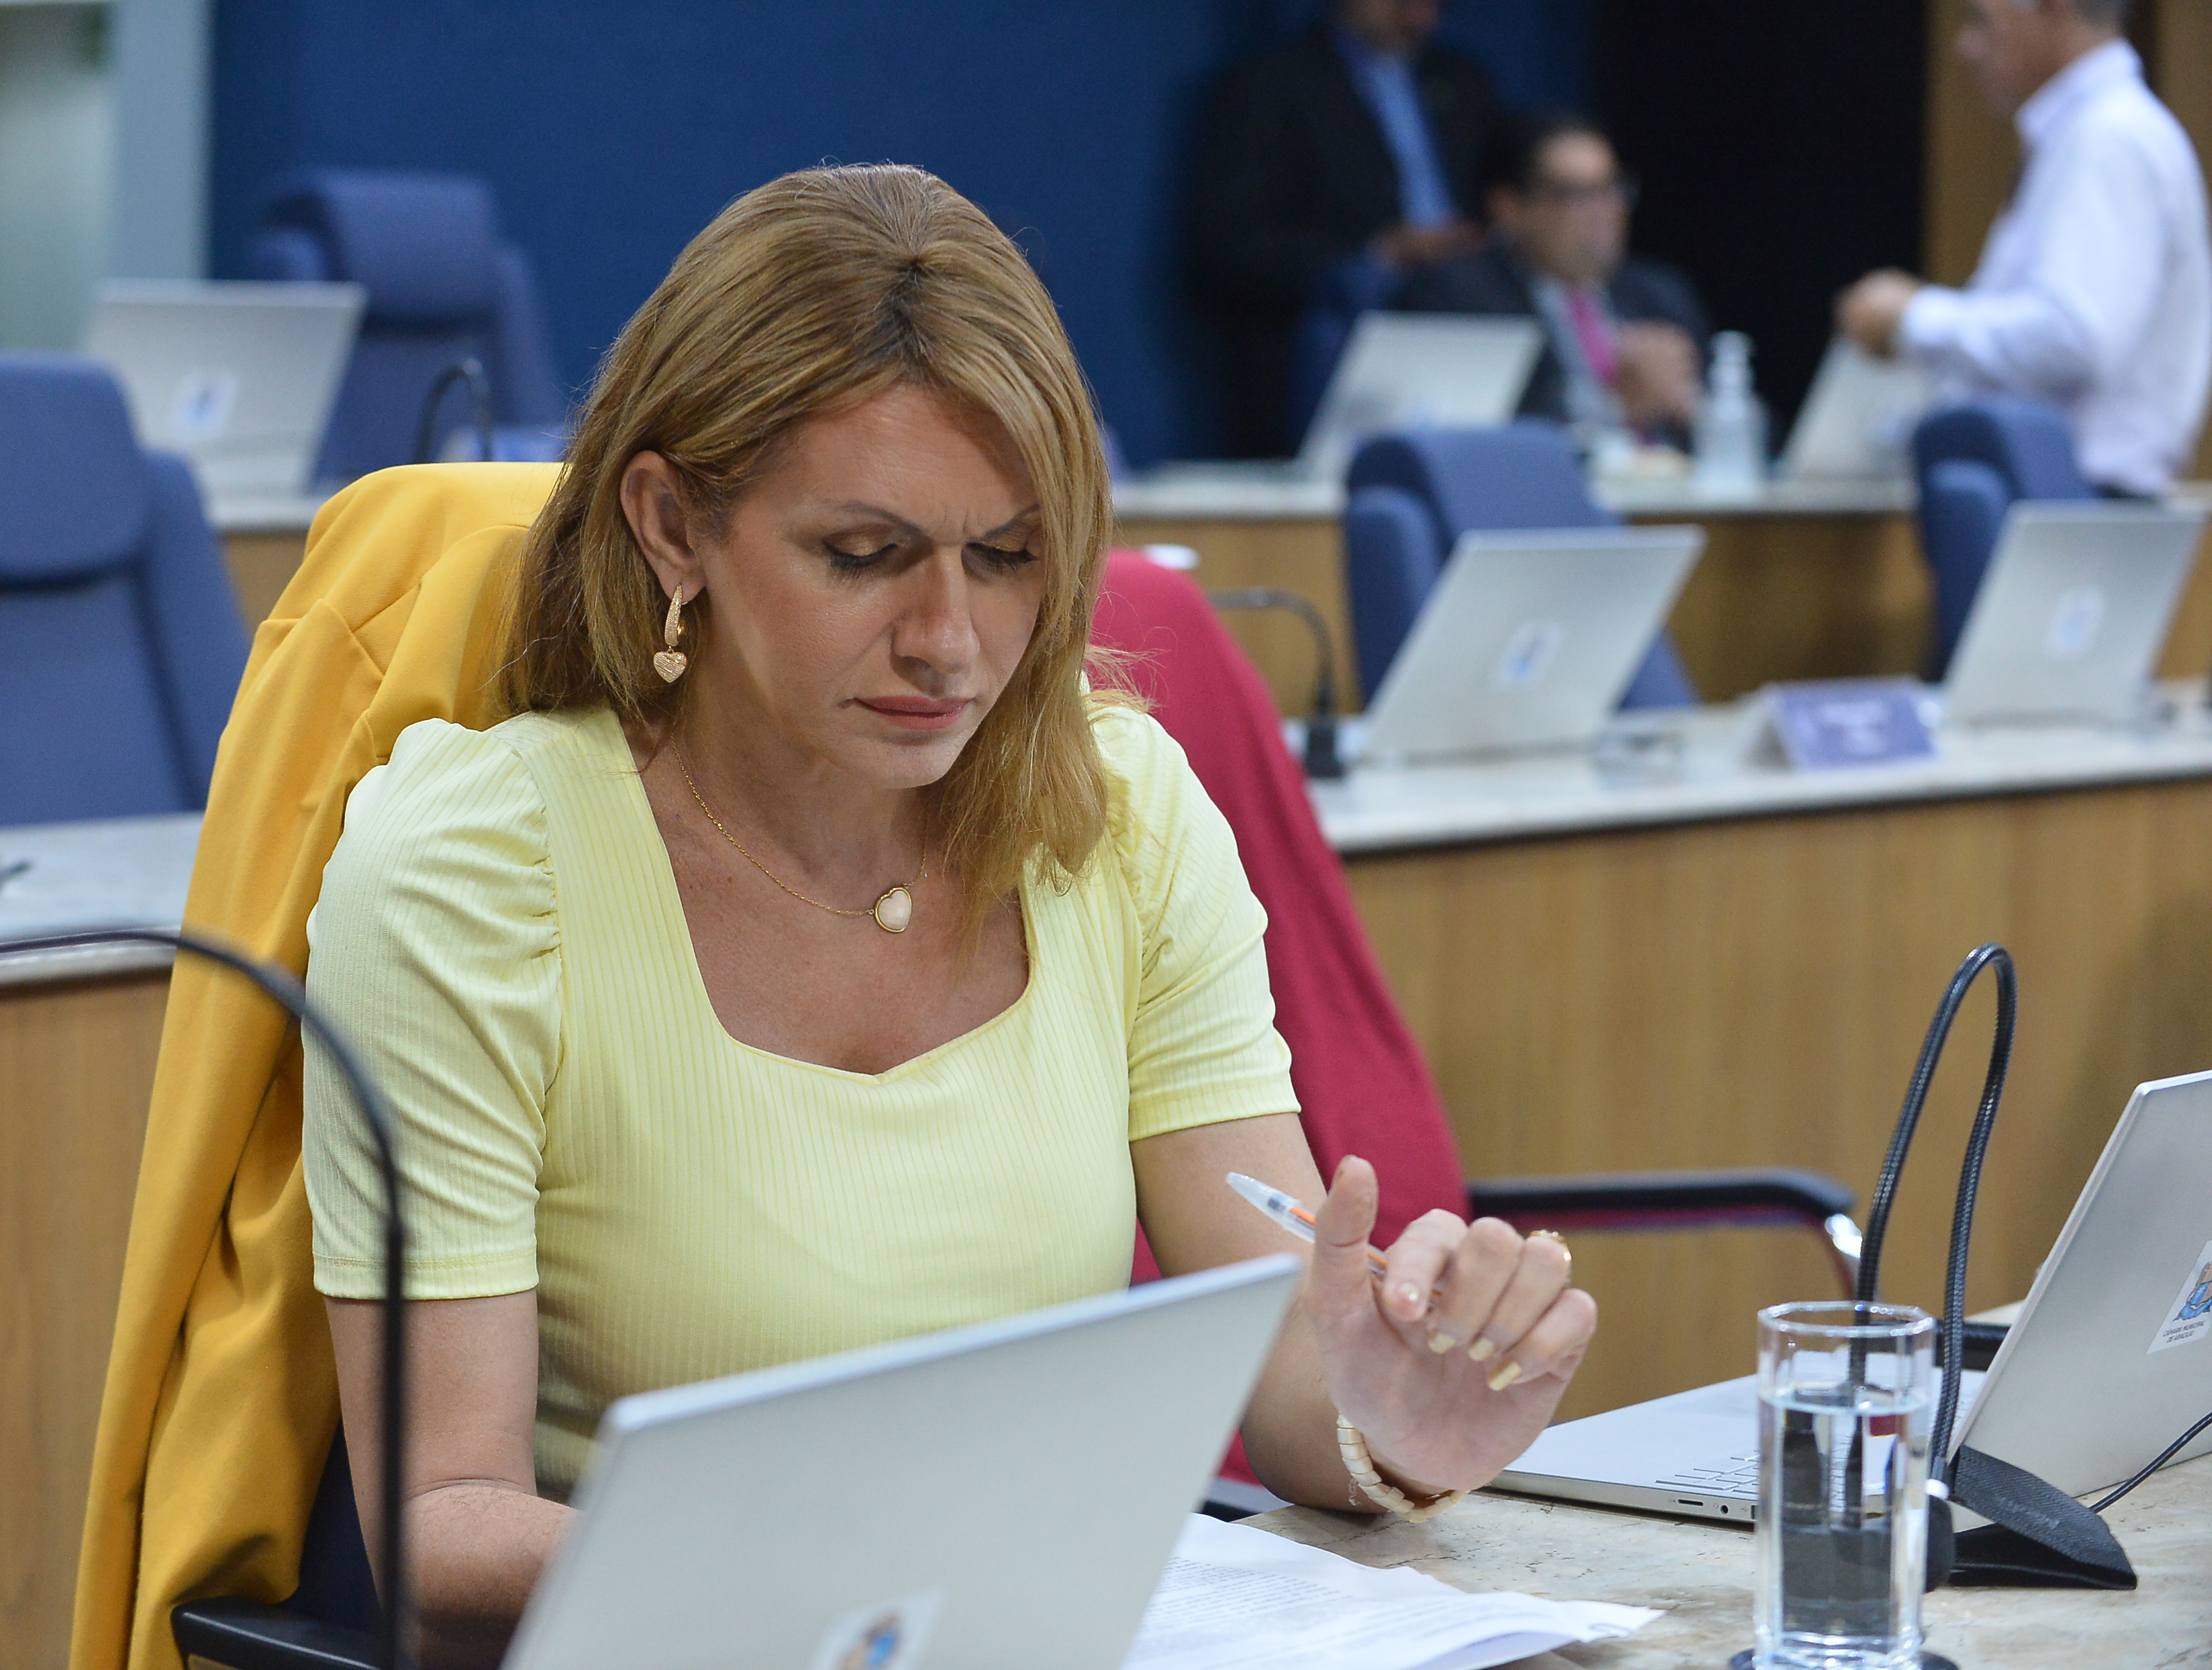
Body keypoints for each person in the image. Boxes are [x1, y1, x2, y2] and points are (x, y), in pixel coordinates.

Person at [303, 165, 1596, 1667]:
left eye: (1009, 557)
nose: (950, 642)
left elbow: (1291, 1384)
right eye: (862, 556)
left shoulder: (1122, 808)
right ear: (669, 526)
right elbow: (440, 1523)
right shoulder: (477, 868)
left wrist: (1395, 1416)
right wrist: (848, 1568)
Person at [1835, 0, 2211, 496]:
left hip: (2078, 502)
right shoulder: (2084, 134)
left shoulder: (2108, 138)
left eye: (1981, 21)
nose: (1966, 48)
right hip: (2063, 496)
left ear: (2052, 13)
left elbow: (2071, 337)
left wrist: (1914, 319)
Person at [1185, 0, 1501, 457]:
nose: (1420, 16)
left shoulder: (1461, 80)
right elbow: (1230, 247)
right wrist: (1379, 255)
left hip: (1467, 328)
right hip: (1335, 344)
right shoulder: (1274, 83)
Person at [1397, 112, 1709, 447]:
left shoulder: (1660, 293)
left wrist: (1699, 410)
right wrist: (1612, 405)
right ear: (1509, 207)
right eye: (1576, 195)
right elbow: (1486, 433)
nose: (1604, 212)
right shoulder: (1460, 299)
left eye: (1611, 189)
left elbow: (1738, 420)